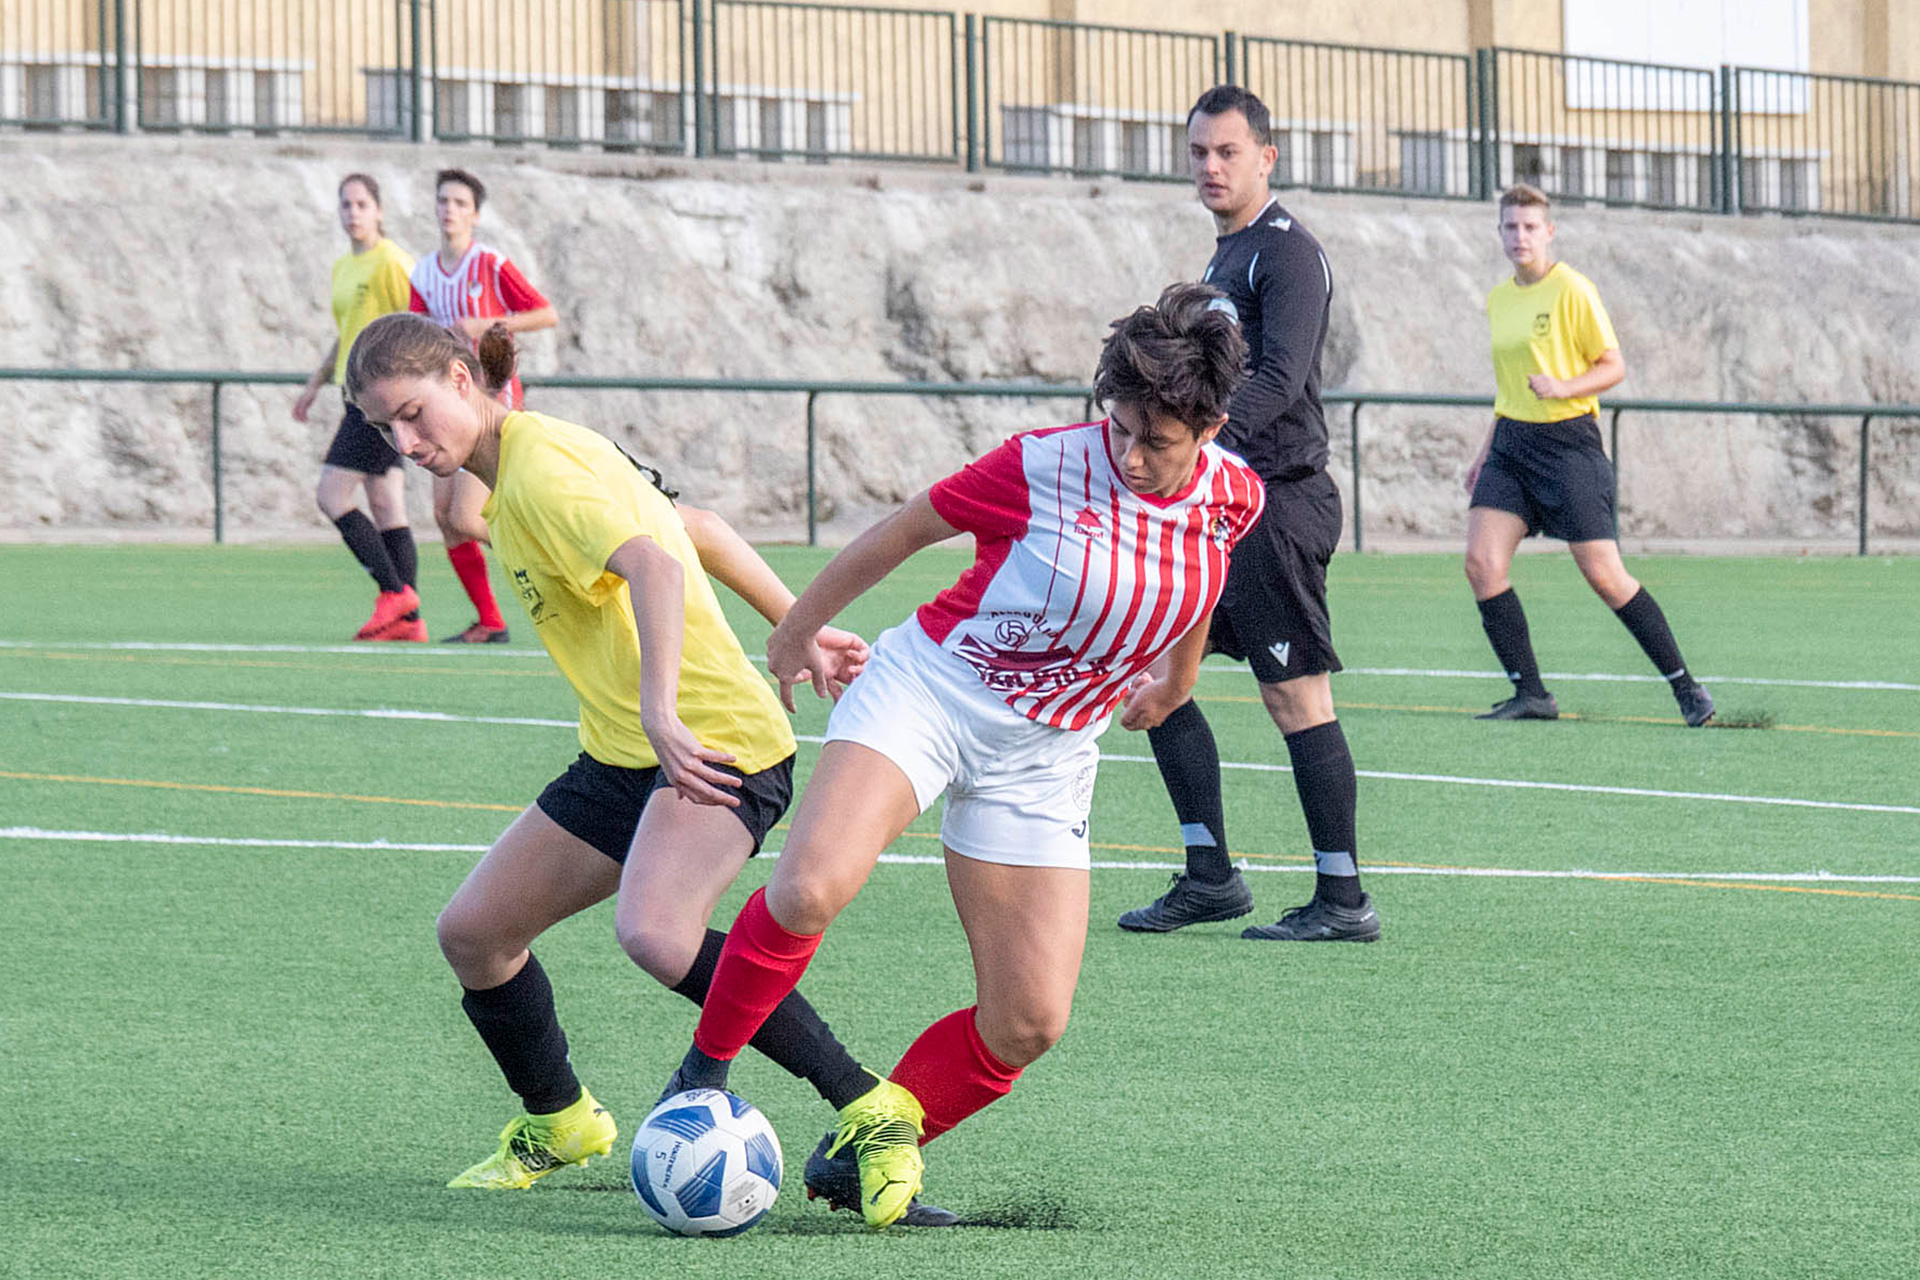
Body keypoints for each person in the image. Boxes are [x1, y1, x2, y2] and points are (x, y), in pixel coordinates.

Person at [659, 283, 1268, 1229]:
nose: (1130, 454)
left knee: (1029, 1020)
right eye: (1119, 427)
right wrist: (795, 630)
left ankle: (863, 1149)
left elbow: (1203, 573)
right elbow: (904, 530)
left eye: (1157, 440)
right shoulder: (1042, 466)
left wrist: (1178, 681)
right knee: (811, 887)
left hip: (1048, 754)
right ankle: (699, 1079)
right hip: (932, 694)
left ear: (1212, 429)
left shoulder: (1234, 496)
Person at [343, 313, 950, 1210]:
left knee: (657, 933)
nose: (404, 442)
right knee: (475, 934)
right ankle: (561, 1119)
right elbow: (693, 527)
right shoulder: (515, 469)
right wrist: (802, 628)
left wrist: (665, 713)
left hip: (712, 741)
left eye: (412, 413)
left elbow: (658, 568)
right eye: (383, 428)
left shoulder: (545, 472)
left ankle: (868, 1103)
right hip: (624, 755)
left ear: (462, 381)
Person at [1116, 85, 1379, 944]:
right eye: (1198, 152)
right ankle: (1210, 878)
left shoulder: (1288, 253)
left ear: (1267, 157)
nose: (1211, 167)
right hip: (1221, 504)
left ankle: (1343, 899)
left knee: (1294, 696)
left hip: (1277, 503)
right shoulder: (1225, 257)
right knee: (1157, 674)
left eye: (1228, 151)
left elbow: (1280, 379)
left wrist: (1196, 445)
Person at [1464, 184, 1714, 727]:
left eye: (1530, 227)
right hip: (1511, 443)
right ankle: (1531, 693)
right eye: (1510, 226)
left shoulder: (1572, 289)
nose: (1520, 236)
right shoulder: (1499, 299)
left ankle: (1687, 688)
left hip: (1568, 445)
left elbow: (1613, 366)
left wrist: (1564, 386)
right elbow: (1507, 387)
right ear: (1499, 232)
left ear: (1549, 232)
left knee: (1605, 574)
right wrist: (1484, 454)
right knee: (1482, 564)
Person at [407, 167, 558, 644]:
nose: (449, 210)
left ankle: (555, 564)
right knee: (444, 517)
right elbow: (416, 330)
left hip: (490, 398)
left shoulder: (489, 263)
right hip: (448, 403)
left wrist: (489, 324)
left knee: (466, 517)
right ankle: (490, 620)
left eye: (459, 203)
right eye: (443, 201)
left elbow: (546, 313)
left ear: (474, 214)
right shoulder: (424, 272)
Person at [291, 173, 424, 641]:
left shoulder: (392, 262)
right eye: (346, 205)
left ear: (379, 211)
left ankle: (394, 592)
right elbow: (348, 332)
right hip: (354, 394)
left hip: (379, 399)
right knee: (387, 505)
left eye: (362, 204)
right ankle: (409, 621)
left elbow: (419, 323)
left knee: (330, 495)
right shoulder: (344, 267)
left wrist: (407, 390)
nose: (353, 213)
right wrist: (315, 382)